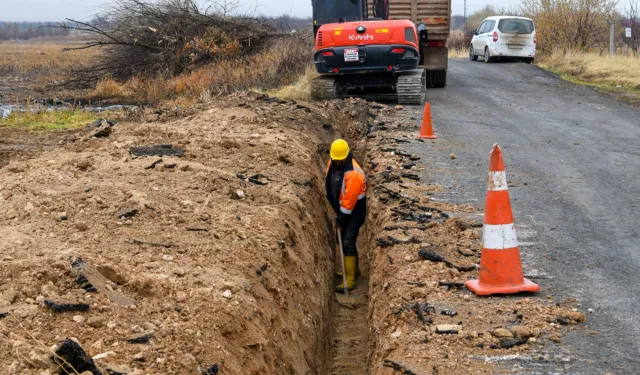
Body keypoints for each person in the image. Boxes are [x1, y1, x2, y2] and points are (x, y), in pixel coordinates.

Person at [325, 139, 367, 292]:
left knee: (348, 240)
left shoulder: (354, 174)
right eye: (335, 159)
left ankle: (350, 279)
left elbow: (349, 203)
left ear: (346, 156)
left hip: (355, 211)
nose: (336, 162)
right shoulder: (334, 162)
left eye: (339, 159)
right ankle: (353, 269)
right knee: (341, 239)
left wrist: (340, 221)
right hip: (342, 209)